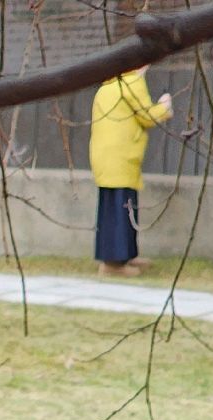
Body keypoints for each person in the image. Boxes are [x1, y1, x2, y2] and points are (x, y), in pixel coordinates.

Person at [89, 66, 172, 278]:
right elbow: (147, 116)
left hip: (106, 157)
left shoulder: (107, 86)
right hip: (121, 157)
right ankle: (113, 263)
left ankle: (124, 256)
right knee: (121, 209)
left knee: (115, 209)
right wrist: (164, 107)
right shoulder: (132, 83)